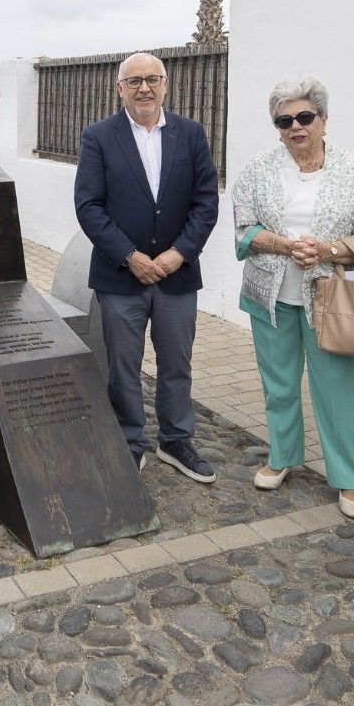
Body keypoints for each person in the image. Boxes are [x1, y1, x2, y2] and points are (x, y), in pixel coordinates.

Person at [230, 78, 354, 518]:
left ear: (323, 119)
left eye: (305, 117)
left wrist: (327, 250)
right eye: (284, 121)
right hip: (270, 296)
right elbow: (243, 228)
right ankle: (282, 456)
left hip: (332, 300)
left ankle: (348, 477)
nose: (295, 127)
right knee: (278, 385)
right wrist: (286, 245)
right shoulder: (258, 168)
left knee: (338, 390)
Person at [73, 52, 220, 482]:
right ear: (120, 88)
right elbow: (89, 206)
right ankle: (130, 440)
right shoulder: (98, 136)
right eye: (134, 80)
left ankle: (176, 442)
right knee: (124, 366)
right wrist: (130, 256)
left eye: (152, 79)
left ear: (165, 85)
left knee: (176, 364)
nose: (144, 88)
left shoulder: (190, 134)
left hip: (177, 276)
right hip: (121, 277)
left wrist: (178, 254)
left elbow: (205, 202)